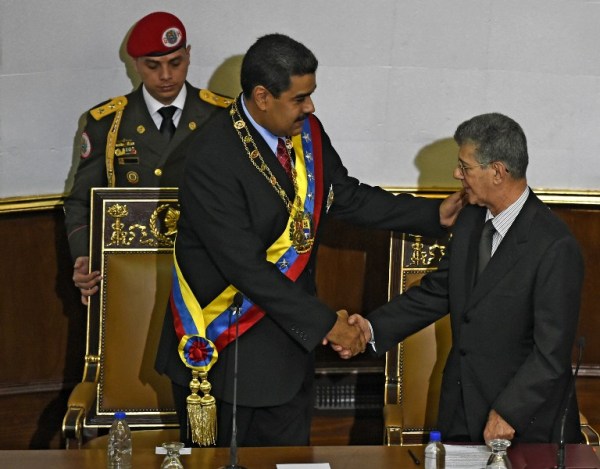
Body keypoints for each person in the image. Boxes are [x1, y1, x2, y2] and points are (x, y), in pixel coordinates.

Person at [154, 33, 465, 448]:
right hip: (228, 356)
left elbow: (344, 196)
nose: (311, 107)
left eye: (311, 95)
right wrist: (328, 326)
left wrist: (431, 215)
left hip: (290, 350)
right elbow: (244, 267)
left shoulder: (306, 132)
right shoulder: (211, 157)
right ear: (262, 96)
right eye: (300, 98)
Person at [341, 113, 584, 444]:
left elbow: (551, 354)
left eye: (465, 167)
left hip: (523, 424)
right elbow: (440, 291)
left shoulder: (554, 245)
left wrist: (508, 411)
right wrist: (370, 329)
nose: (457, 174)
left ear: (497, 171)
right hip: (461, 410)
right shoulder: (471, 218)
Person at [64, 11, 231, 304]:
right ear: (136, 65)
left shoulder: (220, 117)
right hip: (130, 271)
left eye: (175, 63)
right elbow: (81, 201)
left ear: (188, 56)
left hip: (206, 269)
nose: (166, 76)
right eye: (153, 66)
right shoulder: (108, 122)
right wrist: (84, 254)